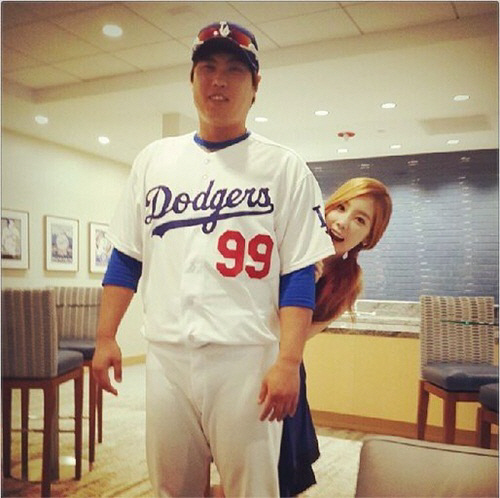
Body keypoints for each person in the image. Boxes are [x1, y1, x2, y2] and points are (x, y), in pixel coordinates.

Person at [92, 21, 334, 498]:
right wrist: (105, 337)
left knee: (253, 489)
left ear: (255, 85)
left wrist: (288, 361)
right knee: (172, 488)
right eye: (207, 68)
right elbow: (126, 258)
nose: (218, 80)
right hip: (167, 355)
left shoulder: (284, 167)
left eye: (234, 70)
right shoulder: (154, 160)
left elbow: (297, 274)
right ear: (192, 79)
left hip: (246, 358)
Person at [279, 176, 393, 497]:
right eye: (341, 208)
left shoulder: (347, 282)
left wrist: (306, 284)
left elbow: (294, 338)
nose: (342, 222)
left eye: (360, 220)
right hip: (236, 360)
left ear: (368, 238)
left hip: (283, 368)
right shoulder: (284, 247)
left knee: (278, 475)